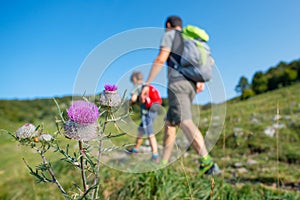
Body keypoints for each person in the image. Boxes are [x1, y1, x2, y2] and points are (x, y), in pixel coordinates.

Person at [141, 16, 219, 175]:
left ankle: (208, 163)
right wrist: (199, 80)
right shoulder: (190, 39)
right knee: (170, 123)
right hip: (190, 85)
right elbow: (210, 62)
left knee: (184, 120)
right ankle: (163, 163)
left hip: (177, 84)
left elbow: (161, 58)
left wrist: (147, 83)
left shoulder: (169, 35)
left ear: (168, 25)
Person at [127, 71, 161, 162]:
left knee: (150, 133)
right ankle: (135, 150)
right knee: (141, 130)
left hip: (147, 113)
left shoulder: (137, 86)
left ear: (134, 79)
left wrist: (129, 104)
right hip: (153, 111)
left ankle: (155, 155)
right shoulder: (147, 86)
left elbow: (133, 99)